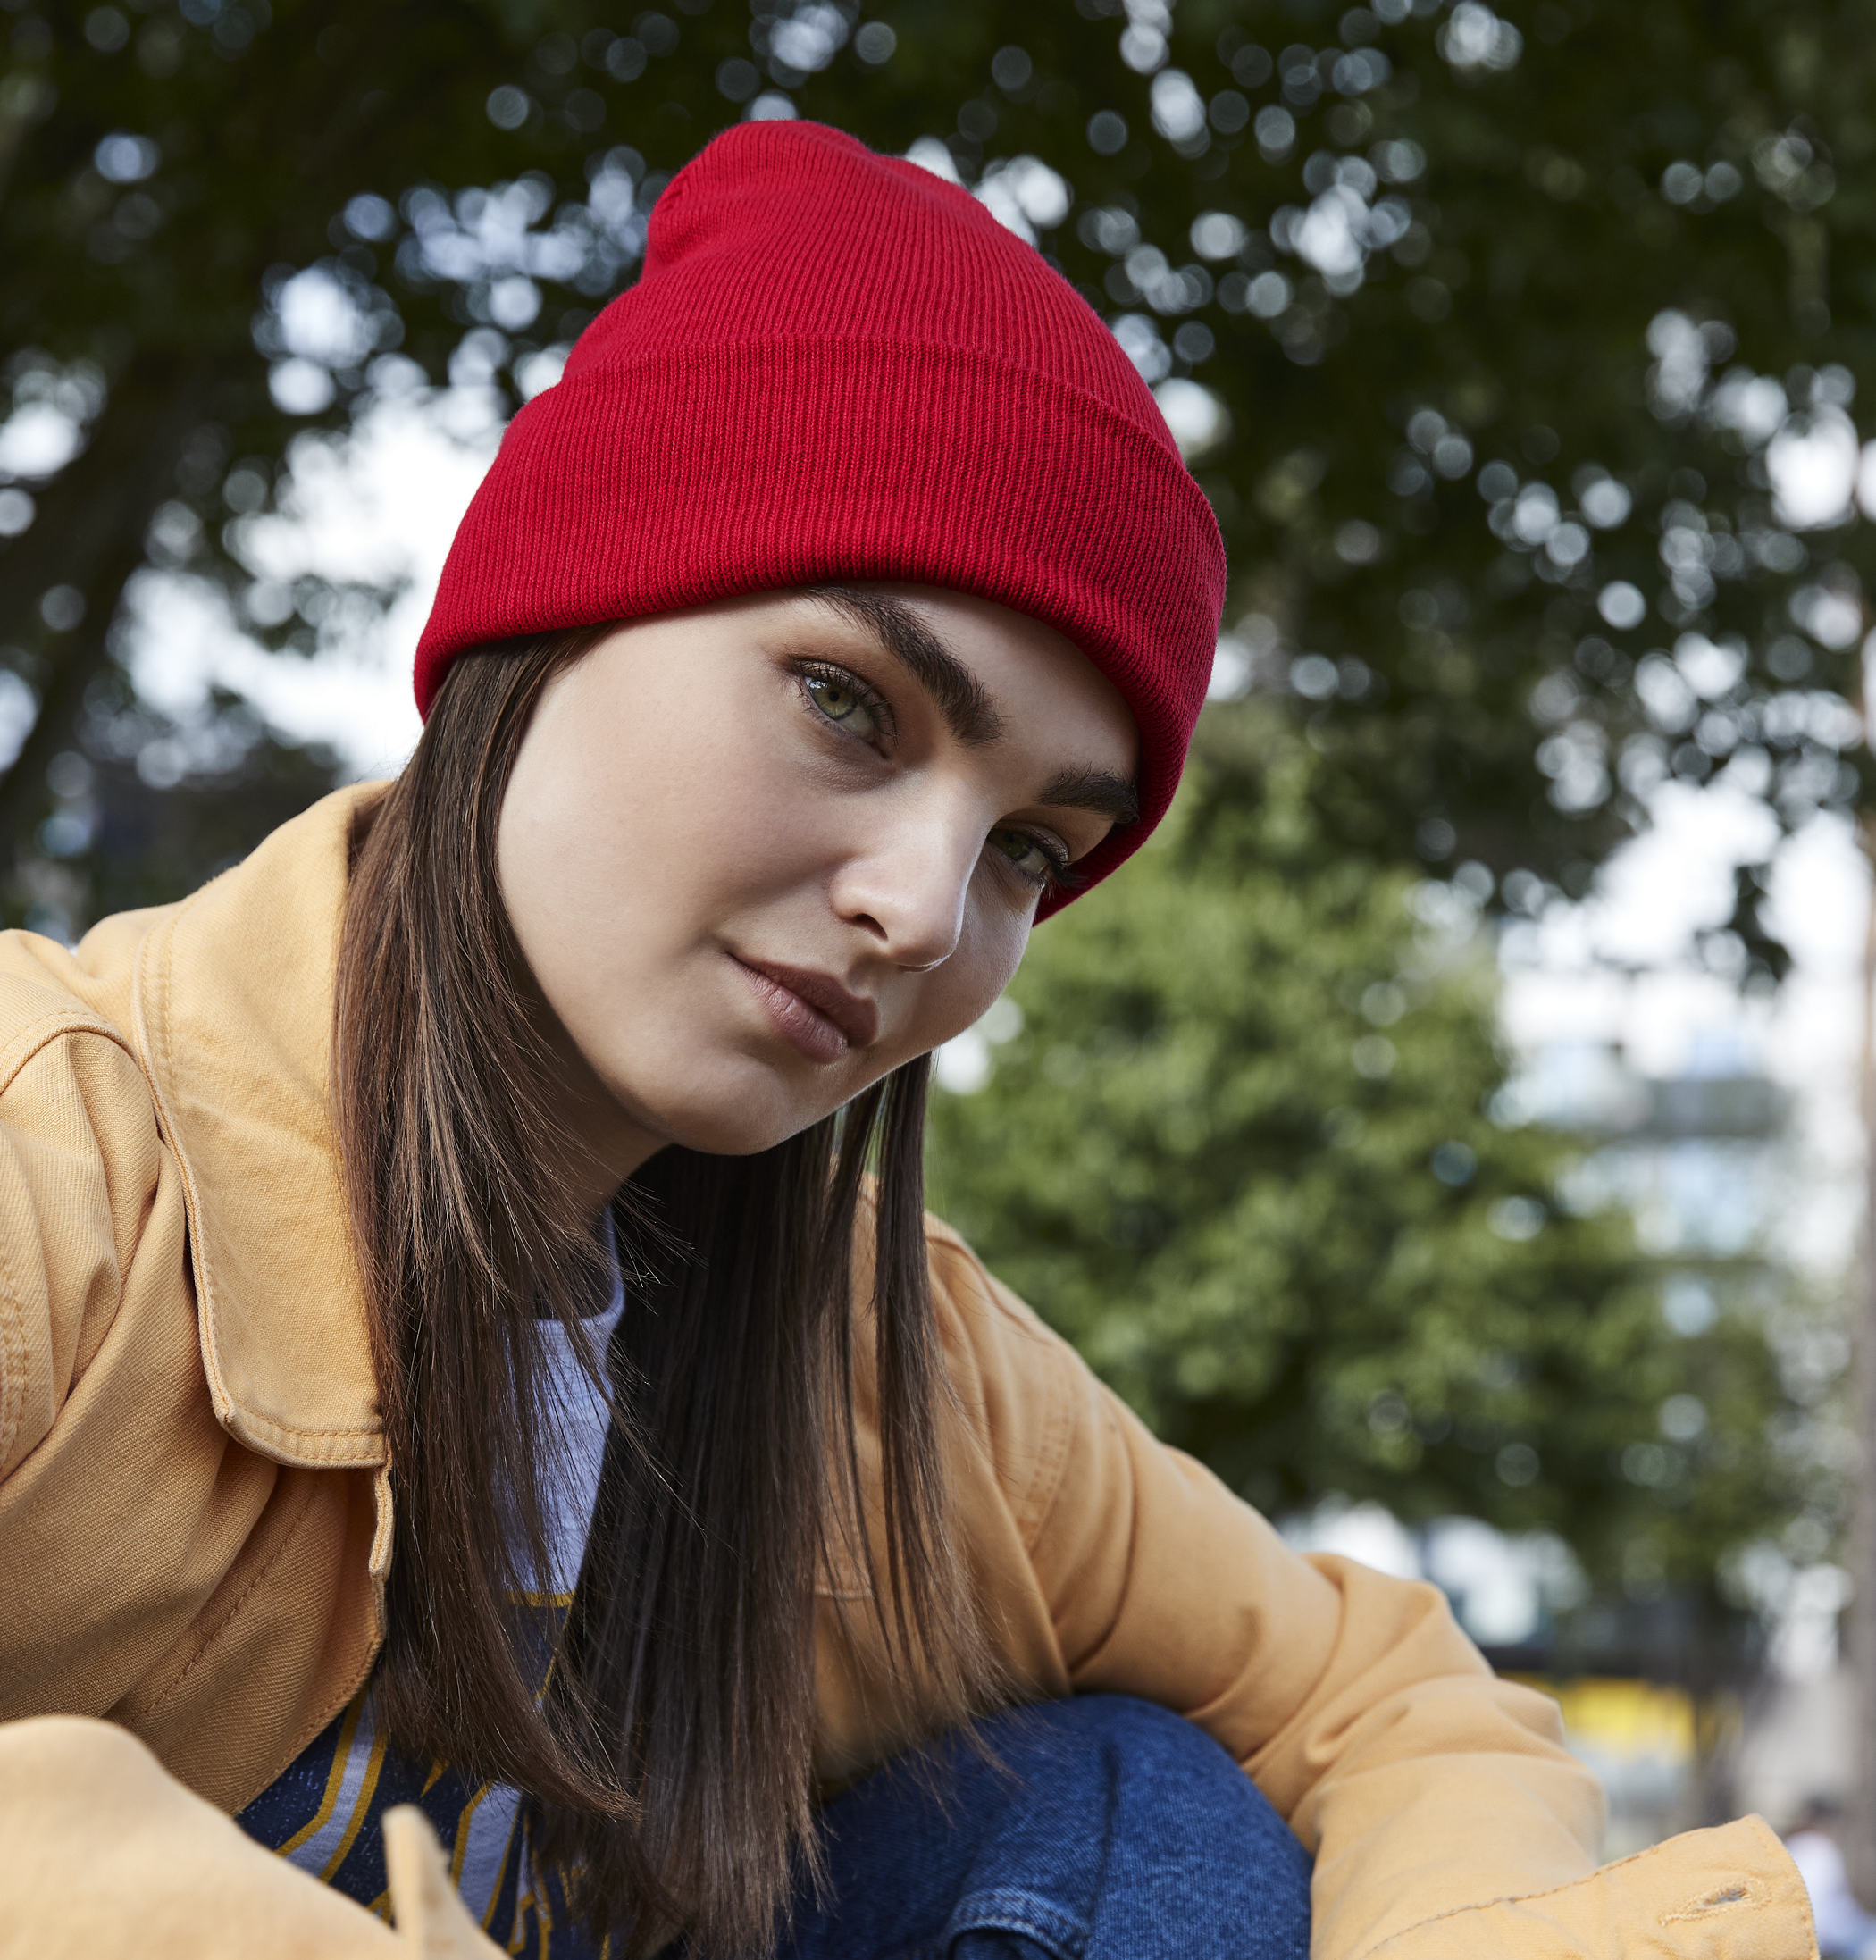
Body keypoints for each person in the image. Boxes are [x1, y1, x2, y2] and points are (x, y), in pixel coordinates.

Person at [0, 121, 1813, 1960]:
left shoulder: (892, 1387)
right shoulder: (53, 1172)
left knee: (1127, 1799)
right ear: (551, 609)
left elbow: (1394, 1695)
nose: (930, 909)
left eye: (1032, 845)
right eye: (846, 704)